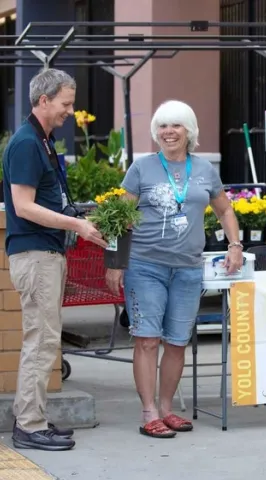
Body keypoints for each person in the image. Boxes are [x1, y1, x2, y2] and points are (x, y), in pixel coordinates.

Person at [106, 100, 244, 438]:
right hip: (146, 266)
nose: (169, 132)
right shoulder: (142, 169)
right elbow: (120, 219)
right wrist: (115, 264)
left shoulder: (205, 170)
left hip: (188, 270)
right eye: (163, 126)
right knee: (148, 341)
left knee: (177, 342)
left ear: (189, 131)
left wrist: (235, 245)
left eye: (176, 125)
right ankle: (148, 412)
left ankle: (167, 409)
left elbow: (225, 210)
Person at [2, 68, 108, 451]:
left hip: (45, 254)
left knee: (44, 341)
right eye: (65, 103)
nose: (70, 111)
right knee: (40, 341)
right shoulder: (27, 143)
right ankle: (29, 426)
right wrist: (77, 226)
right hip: (36, 254)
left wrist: (77, 222)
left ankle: (35, 420)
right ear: (43, 100)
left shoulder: (41, 140)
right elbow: (23, 206)